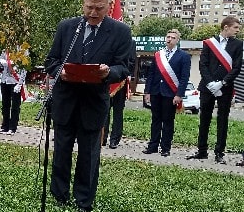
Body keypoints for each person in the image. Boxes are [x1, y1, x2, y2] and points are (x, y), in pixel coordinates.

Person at [44, 0, 132, 212]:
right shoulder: (67, 28)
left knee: (89, 154)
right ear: (83, 3)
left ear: (108, 6)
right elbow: (51, 60)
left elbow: (124, 67)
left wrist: (108, 72)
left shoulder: (120, 31)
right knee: (61, 150)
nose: (93, 13)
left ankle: (83, 200)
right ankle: (59, 195)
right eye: (89, 7)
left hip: (94, 102)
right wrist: (60, 71)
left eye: (99, 8)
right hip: (66, 100)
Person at [186, 16, 243, 164]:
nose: (238, 30)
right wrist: (211, 82)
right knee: (204, 119)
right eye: (235, 27)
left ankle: (219, 153)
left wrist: (222, 83)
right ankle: (202, 151)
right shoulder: (209, 43)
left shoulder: (238, 44)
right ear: (226, 27)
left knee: (222, 120)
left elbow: (236, 67)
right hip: (207, 87)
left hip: (225, 88)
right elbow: (203, 64)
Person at [142, 29, 190, 157]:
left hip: (171, 94)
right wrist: (147, 91)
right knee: (155, 120)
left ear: (177, 40)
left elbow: (184, 78)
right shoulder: (158, 54)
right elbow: (151, 74)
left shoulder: (184, 56)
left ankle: (165, 148)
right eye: (168, 37)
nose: (169, 39)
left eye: (173, 37)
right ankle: (152, 146)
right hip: (156, 92)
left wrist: (179, 94)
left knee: (168, 121)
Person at [103, 38, 136, 148]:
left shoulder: (129, 41)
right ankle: (102, 137)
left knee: (118, 112)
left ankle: (114, 139)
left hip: (120, 81)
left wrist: (124, 74)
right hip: (105, 80)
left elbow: (131, 61)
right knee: (104, 111)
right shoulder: (104, 38)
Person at [0, 49, 27, 135]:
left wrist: (20, 83)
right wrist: (2, 62)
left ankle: (13, 128)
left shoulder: (23, 50)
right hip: (5, 80)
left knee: (15, 107)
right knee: (5, 105)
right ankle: (5, 126)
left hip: (15, 81)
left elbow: (24, 69)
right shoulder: (6, 50)